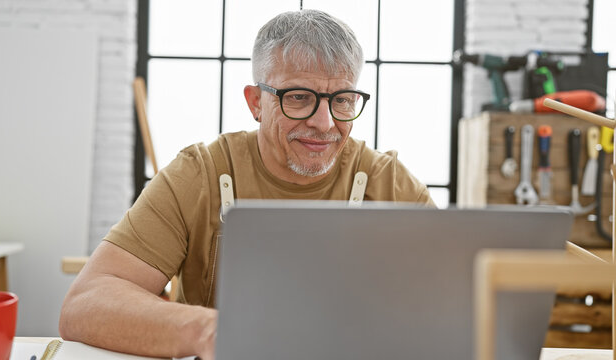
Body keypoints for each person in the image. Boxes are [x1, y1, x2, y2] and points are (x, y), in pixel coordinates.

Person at [59, 9, 434, 360]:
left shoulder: (391, 186)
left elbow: (456, 309)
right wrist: (209, 331)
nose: (324, 122)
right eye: (299, 98)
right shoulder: (200, 174)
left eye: (342, 100)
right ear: (256, 102)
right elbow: (85, 303)